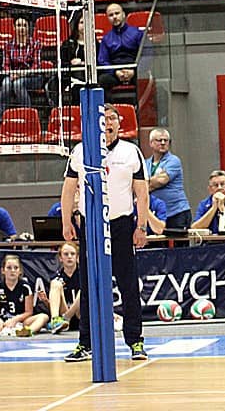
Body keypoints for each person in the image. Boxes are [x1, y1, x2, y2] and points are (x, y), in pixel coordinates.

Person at [61, 103, 149, 362]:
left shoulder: (130, 151)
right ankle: (85, 343)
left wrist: (141, 226)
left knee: (128, 285)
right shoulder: (80, 151)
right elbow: (68, 189)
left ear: (119, 124)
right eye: (104, 119)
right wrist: (66, 222)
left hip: (121, 225)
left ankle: (135, 341)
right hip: (91, 225)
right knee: (89, 285)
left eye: (112, 119)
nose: (108, 123)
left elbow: (142, 193)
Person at [0, 254, 48, 337]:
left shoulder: (25, 287)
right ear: (3, 270)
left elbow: (29, 312)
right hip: (3, 322)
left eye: (16, 268)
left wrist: (15, 319)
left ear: (20, 271)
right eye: (9, 268)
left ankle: (28, 331)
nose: (12, 270)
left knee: (44, 317)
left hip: (21, 322)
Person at [144, 128, 191, 231]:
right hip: (158, 214)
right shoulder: (146, 163)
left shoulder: (173, 160)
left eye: (166, 140)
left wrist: (145, 185)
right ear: (151, 143)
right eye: (159, 140)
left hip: (176, 212)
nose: (163, 143)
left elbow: (161, 181)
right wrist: (149, 183)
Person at [0, 16, 43, 121]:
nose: (21, 28)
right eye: (19, 25)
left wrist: (21, 74)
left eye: (24, 25)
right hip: (13, 76)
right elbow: (5, 66)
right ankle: (2, 118)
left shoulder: (35, 44)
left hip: (33, 77)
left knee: (18, 84)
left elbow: (36, 66)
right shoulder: (8, 46)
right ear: (14, 27)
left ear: (28, 28)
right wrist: (12, 74)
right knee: (6, 84)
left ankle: (28, 117)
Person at [96, 3, 143, 99]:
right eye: (111, 15)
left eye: (117, 13)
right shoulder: (106, 39)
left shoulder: (137, 33)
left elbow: (146, 54)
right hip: (115, 73)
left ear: (123, 14)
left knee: (145, 79)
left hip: (135, 71)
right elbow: (102, 60)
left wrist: (134, 71)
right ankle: (109, 107)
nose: (114, 17)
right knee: (103, 80)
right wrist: (115, 72)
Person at [40, 242, 81, 335]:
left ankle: (67, 317)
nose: (69, 257)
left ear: (77, 257)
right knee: (56, 283)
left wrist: (67, 316)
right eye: (66, 254)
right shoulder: (57, 277)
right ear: (60, 258)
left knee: (85, 287)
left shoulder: (83, 275)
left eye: (72, 254)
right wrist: (46, 301)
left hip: (80, 315)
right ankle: (55, 321)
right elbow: (55, 306)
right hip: (63, 318)